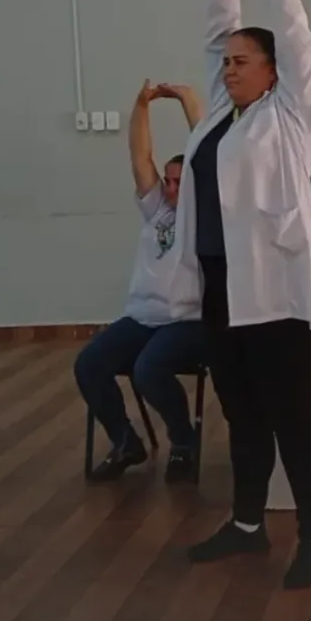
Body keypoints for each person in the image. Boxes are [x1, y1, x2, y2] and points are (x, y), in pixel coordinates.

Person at [169, 0, 311, 590]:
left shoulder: (291, 114)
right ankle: (246, 523)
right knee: (241, 415)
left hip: (277, 292)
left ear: (272, 71)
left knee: (294, 419)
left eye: (242, 61)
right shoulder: (219, 114)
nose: (228, 68)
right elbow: (217, 30)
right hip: (221, 290)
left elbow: (296, 37)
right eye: (227, 62)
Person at [75, 80, 206, 483]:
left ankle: (183, 443)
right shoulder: (157, 210)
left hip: (188, 322)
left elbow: (210, 150)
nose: (171, 189)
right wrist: (141, 106)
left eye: (180, 182)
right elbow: (140, 156)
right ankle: (125, 442)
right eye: (168, 181)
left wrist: (186, 99)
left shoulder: (206, 213)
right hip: (142, 318)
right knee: (89, 364)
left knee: (148, 369)